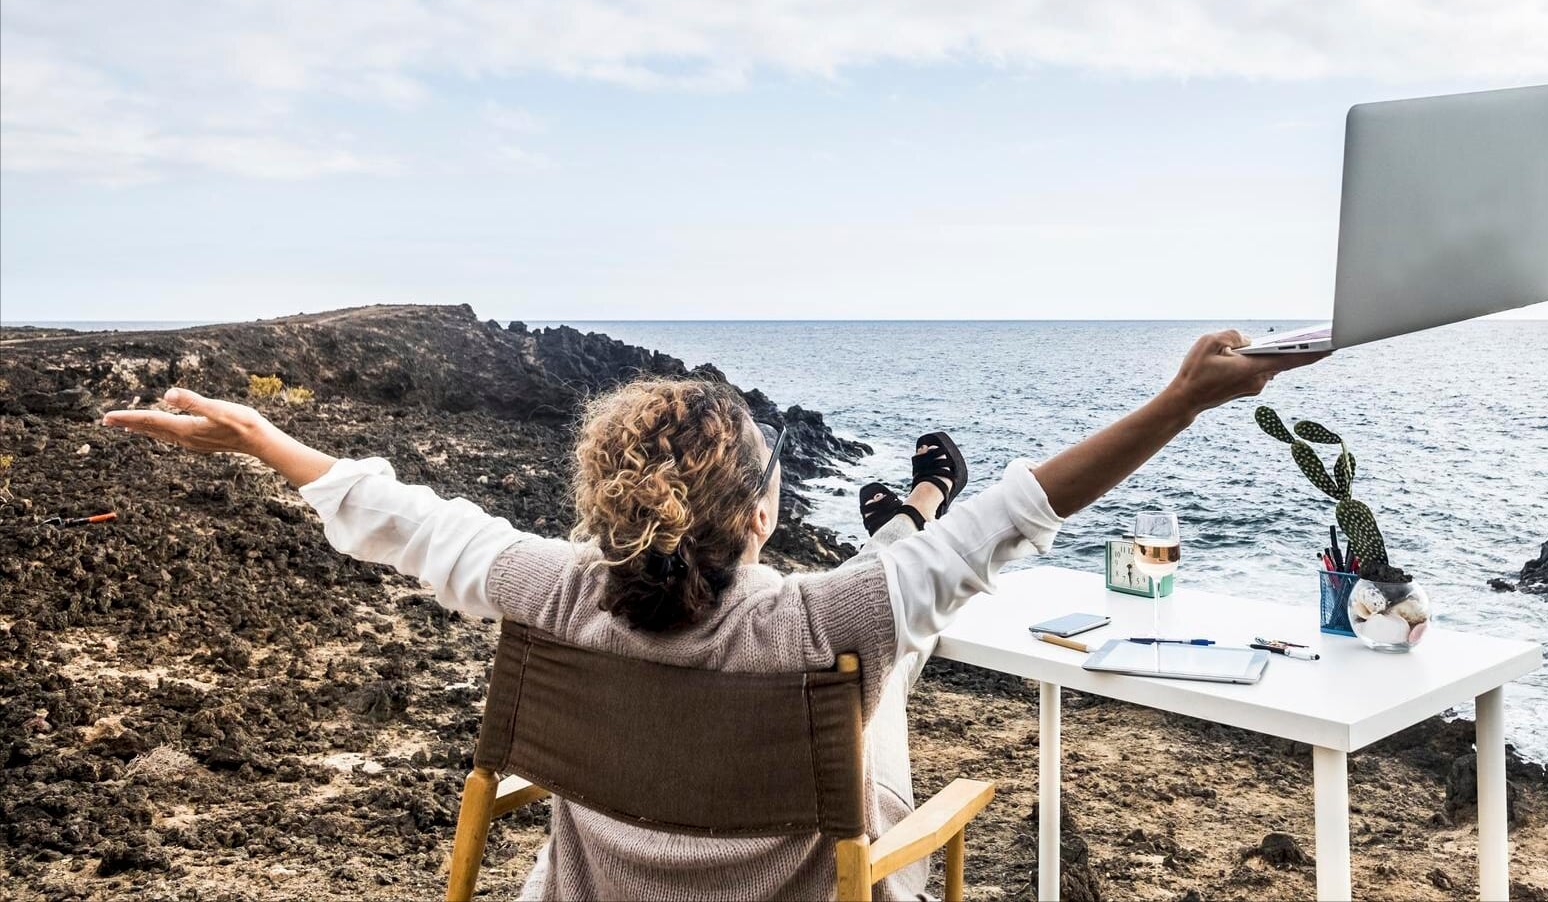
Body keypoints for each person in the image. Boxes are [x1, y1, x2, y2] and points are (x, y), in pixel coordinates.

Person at [103, 331, 1325, 900]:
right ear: (757, 517)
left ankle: (907, 525)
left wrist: (260, 433)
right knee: (881, 664)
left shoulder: (551, 589)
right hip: (835, 741)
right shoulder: (816, 617)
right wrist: (1184, 399)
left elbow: (401, 518)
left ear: (597, 507)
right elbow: (1013, 511)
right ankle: (905, 521)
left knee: (885, 631)